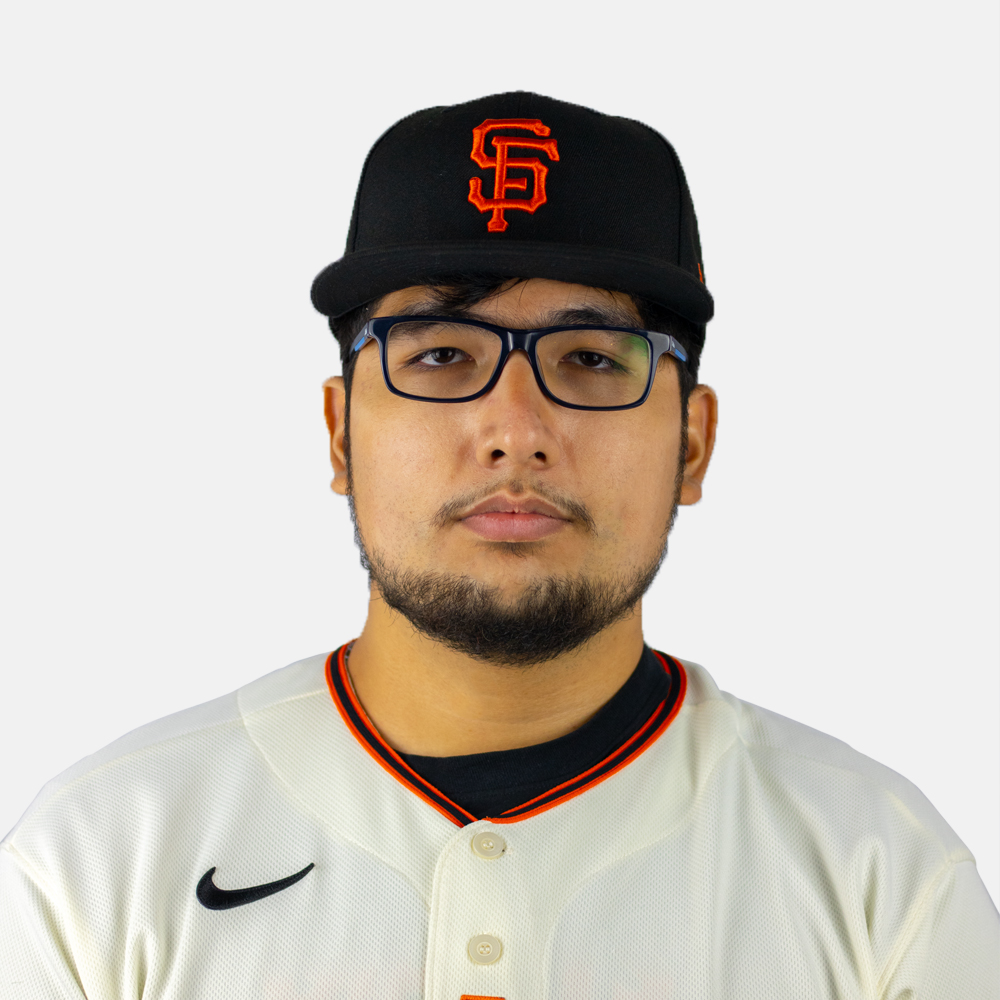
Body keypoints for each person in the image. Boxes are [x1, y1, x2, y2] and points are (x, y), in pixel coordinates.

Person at [1, 90, 996, 999]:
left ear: (692, 443)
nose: (514, 426)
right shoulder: (97, 861)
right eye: (440, 353)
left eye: (592, 358)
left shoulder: (879, 880)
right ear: (339, 430)